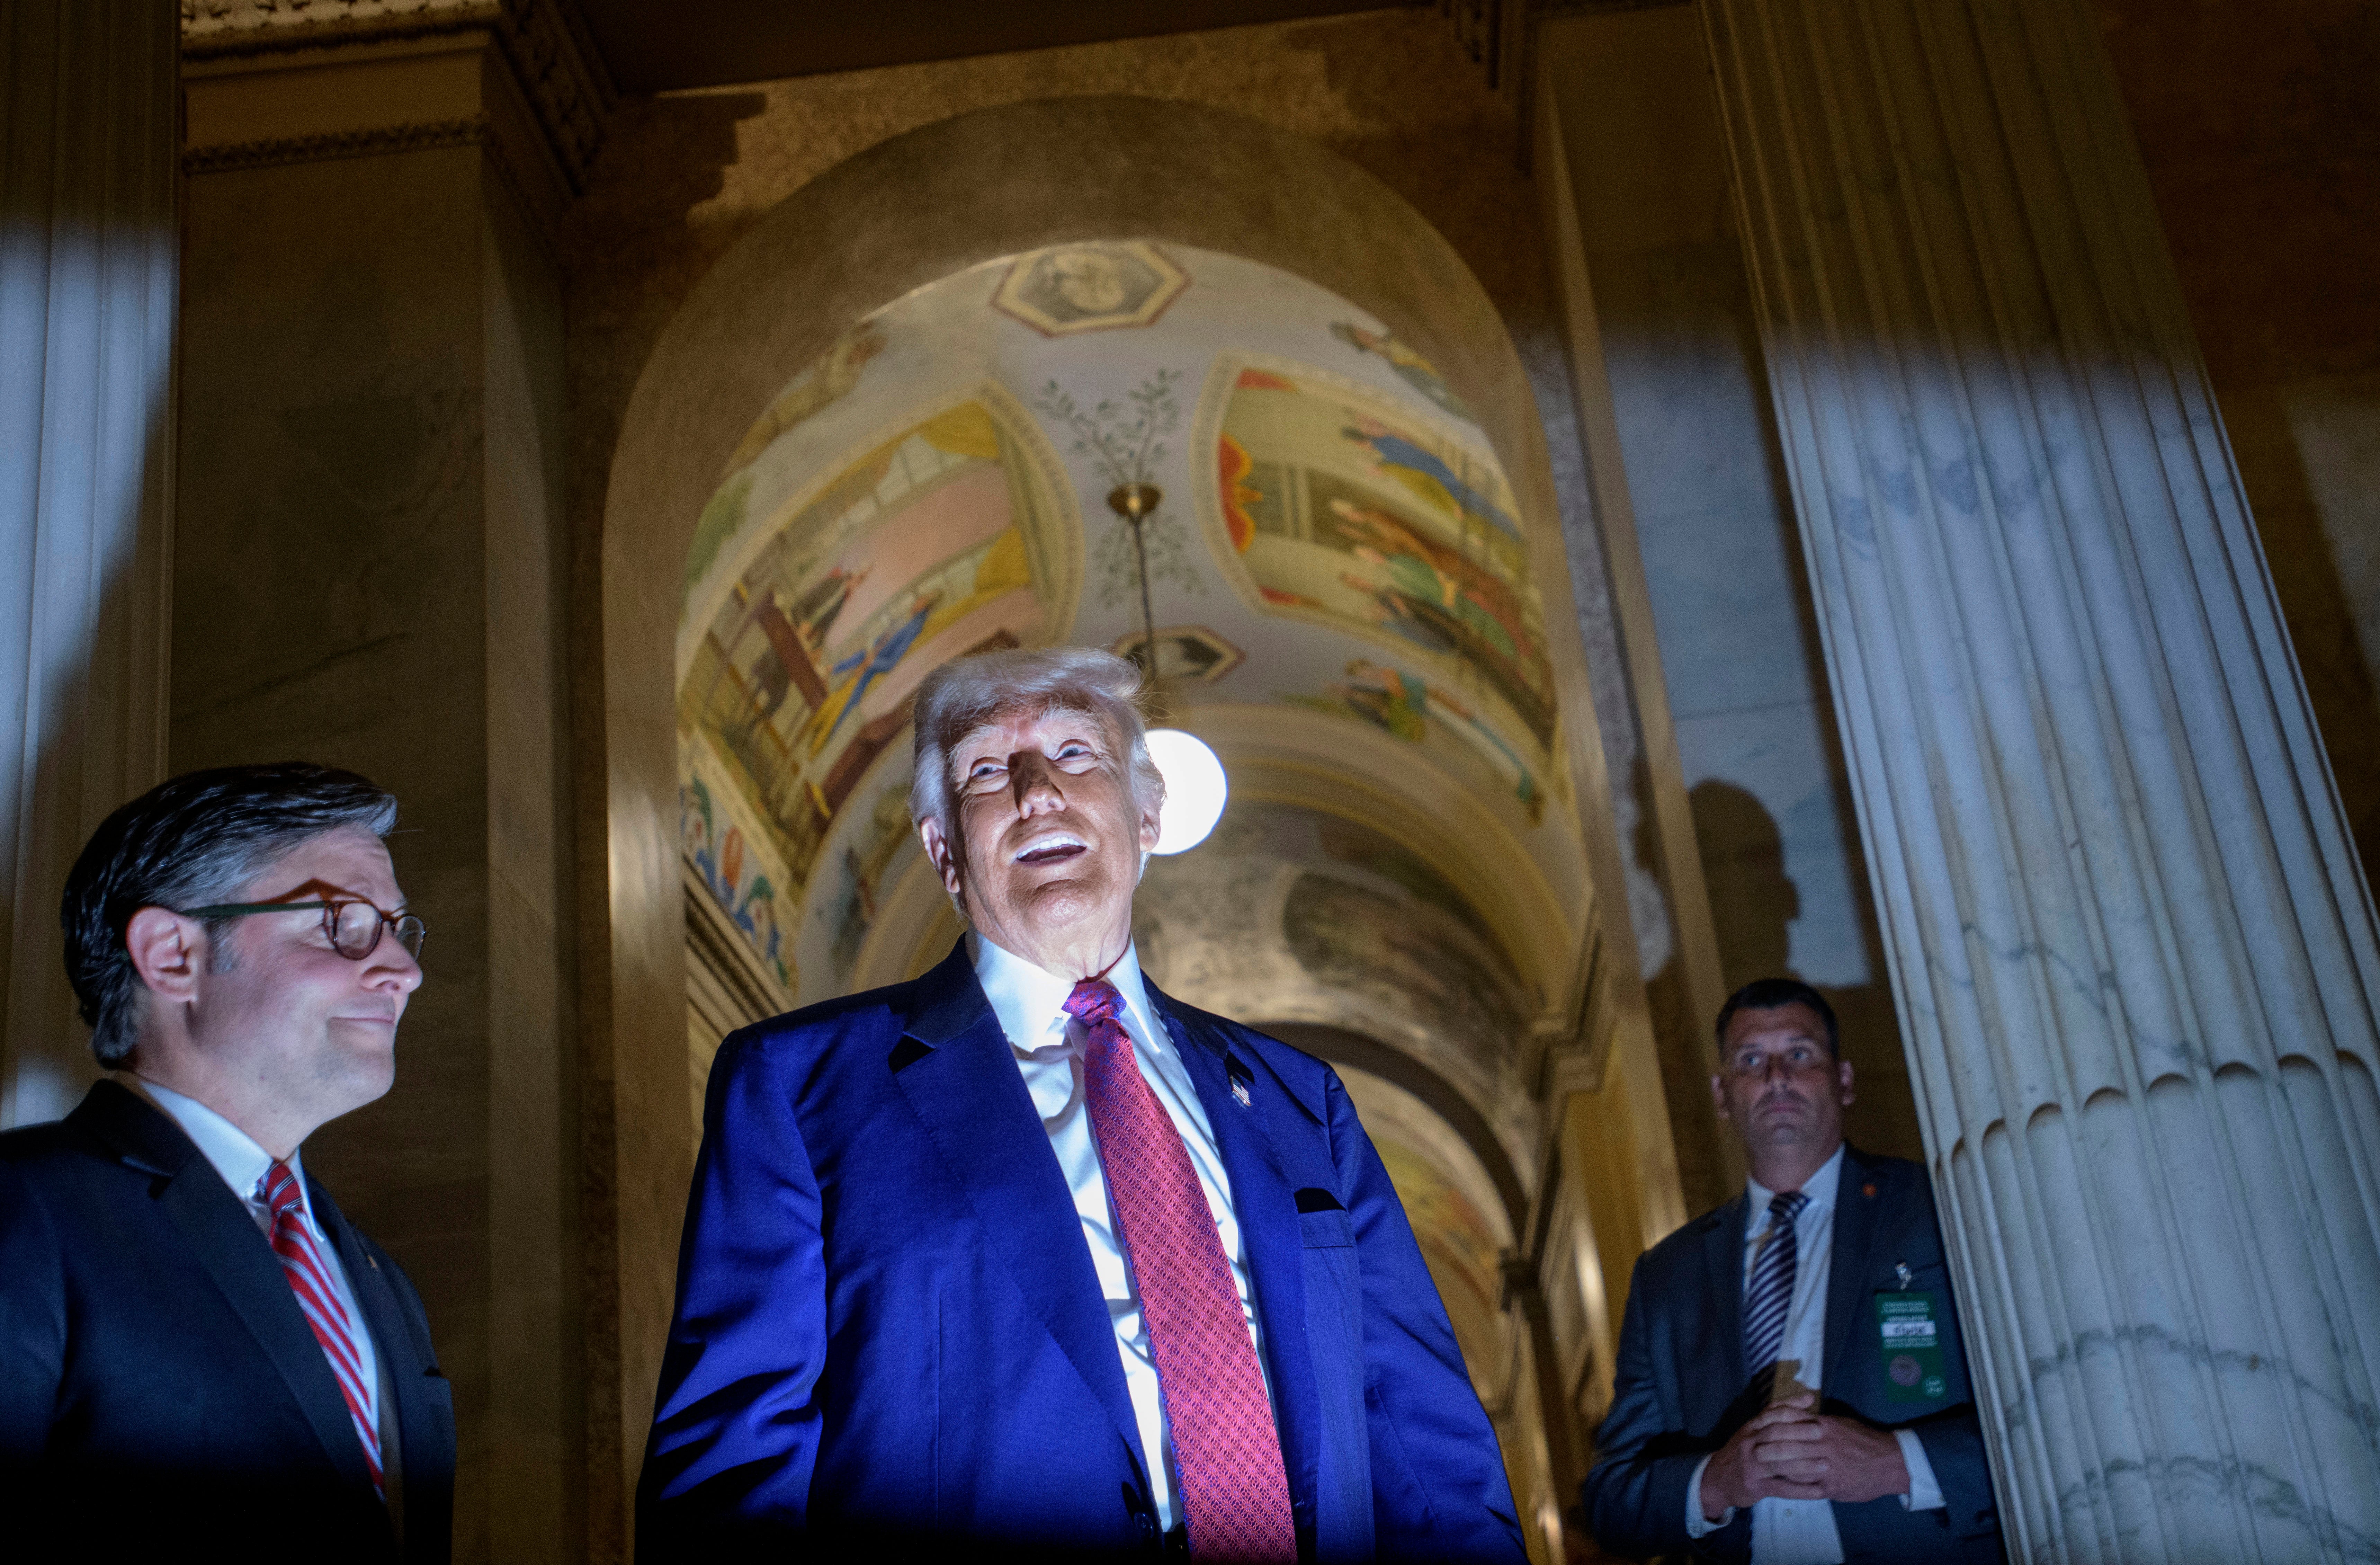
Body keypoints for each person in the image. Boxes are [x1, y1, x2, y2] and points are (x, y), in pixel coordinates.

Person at [639, 646, 1524, 1561]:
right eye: (987, 768)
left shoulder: (1304, 1103)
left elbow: (1424, 1448)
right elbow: (729, 1476)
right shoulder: (797, 1088)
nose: (1035, 792)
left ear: (1146, 814)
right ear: (944, 851)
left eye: (1073, 753)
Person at [0, 764, 453, 1561]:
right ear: (173, 953)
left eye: (397, 927)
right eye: (344, 921)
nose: (404, 971)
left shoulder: (384, 1281)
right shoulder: (24, 1210)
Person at [1581, 979, 2001, 1562]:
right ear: (1722, 1094)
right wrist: (1714, 1483)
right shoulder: (1665, 1277)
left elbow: (2053, 1411)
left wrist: (1898, 1463)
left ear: (1844, 1080)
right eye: (1751, 1060)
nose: (1776, 1075)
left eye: (1799, 1054)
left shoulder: (1940, 1207)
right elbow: (1609, 1501)